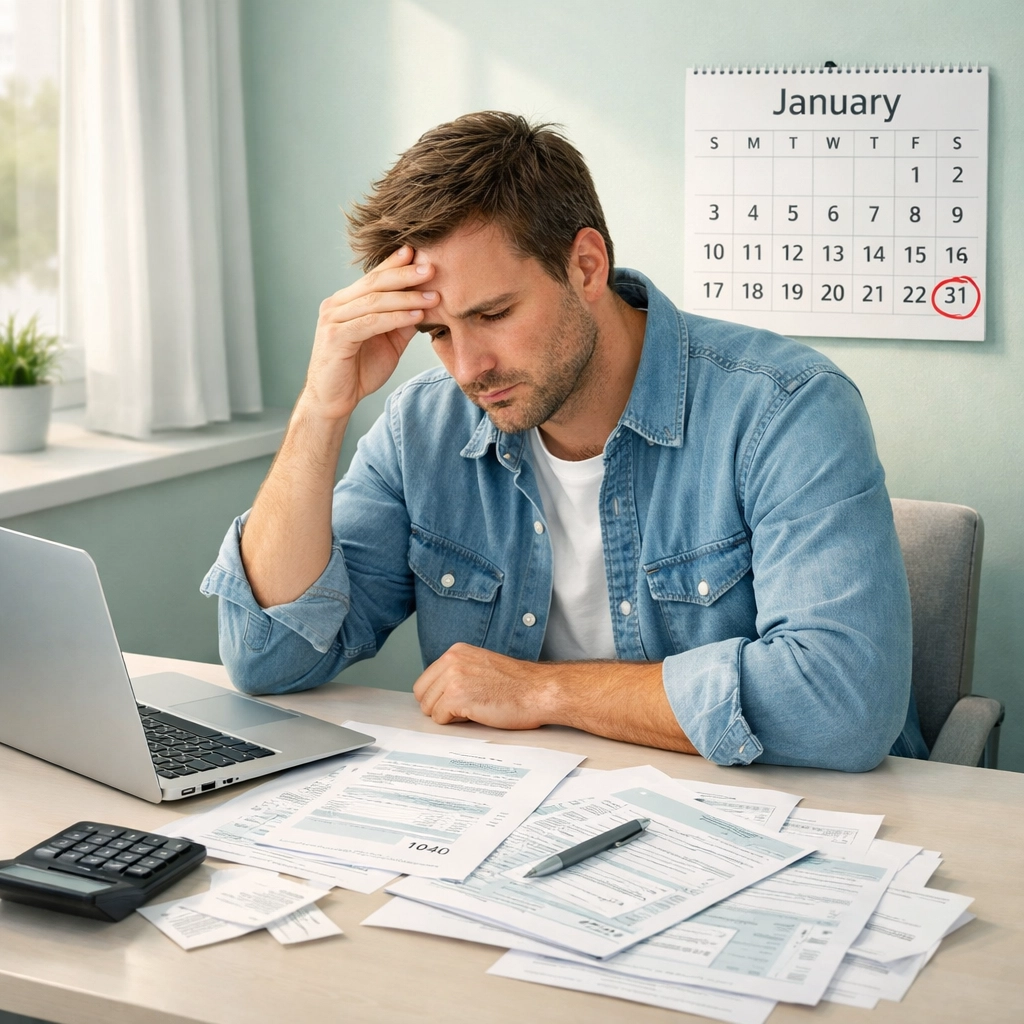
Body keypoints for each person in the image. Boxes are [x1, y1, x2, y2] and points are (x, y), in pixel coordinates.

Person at [202, 111, 928, 771]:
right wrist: (320, 409)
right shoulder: (421, 427)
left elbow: (843, 706)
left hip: (778, 816)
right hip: (523, 817)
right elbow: (270, 658)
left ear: (585, 266)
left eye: (493, 314)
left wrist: (543, 691)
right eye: (438, 333)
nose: (467, 368)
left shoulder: (786, 409)